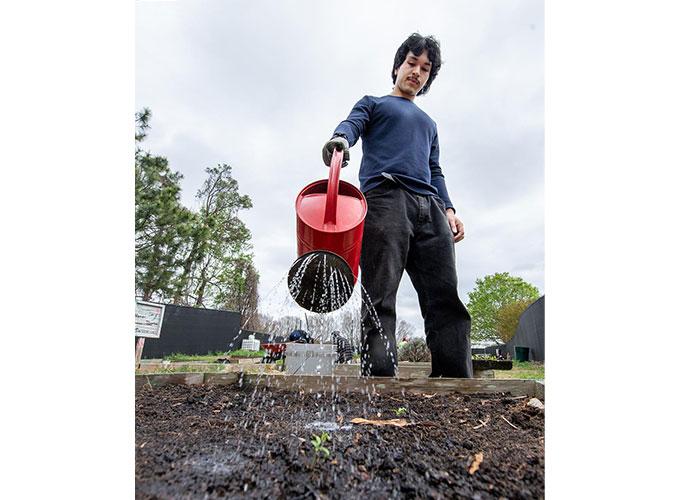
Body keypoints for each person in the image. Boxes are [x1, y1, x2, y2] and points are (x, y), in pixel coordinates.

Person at [322, 33, 472, 378]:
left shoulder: (429, 124)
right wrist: (341, 140)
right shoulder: (373, 103)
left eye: (425, 69)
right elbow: (352, 125)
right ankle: (379, 381)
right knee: (380, 294)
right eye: (411, 63)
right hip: (385, 200)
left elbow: (435, 169)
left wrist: (448, 209)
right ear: (397, 66)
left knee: (444, 295)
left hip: (430, 208)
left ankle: (455, 383)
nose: (417, 72)